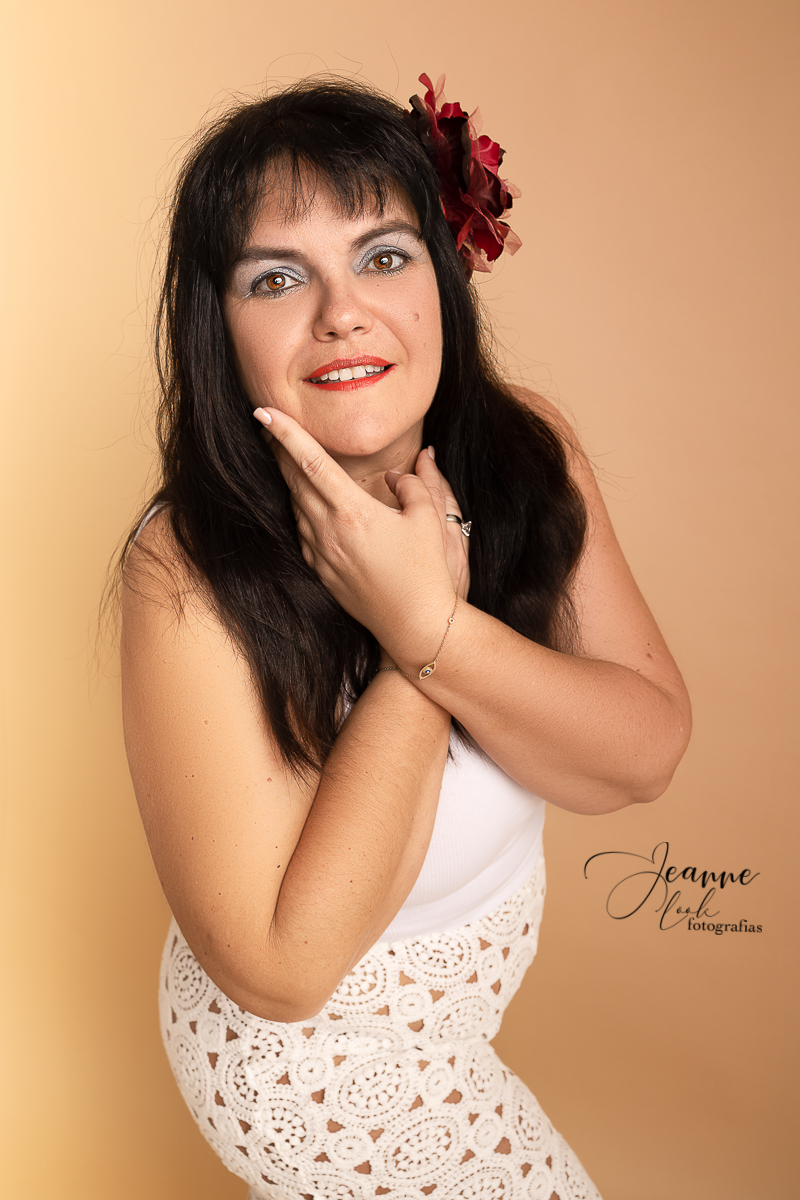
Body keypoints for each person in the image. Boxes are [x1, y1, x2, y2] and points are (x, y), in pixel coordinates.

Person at [120, 74, 691, 1200]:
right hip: (309, 1063)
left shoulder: (526, 451)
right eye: (277, 278)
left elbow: (643, 753)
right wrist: (413, 646)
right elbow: (282, 969)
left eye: (382, 256)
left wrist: (431, 624)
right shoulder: (182, 567)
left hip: (453, 1026)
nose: (341, 312)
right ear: (218, 326)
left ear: (443, 279)